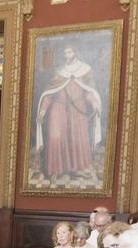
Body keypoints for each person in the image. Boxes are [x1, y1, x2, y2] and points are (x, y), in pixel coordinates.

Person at [35, 46, 103, 181]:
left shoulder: (85, 69)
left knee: (77, 138)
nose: (67, 54)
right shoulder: (60, 71)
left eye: (70, 51)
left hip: (77, 108)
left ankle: (77, 169)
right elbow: (50, 92)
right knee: (55, 137)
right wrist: (43, 109)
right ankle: (55, 169)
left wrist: (95, 103)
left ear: (75, 52)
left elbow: (88, 91)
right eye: (65, 52)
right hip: (58, 107)